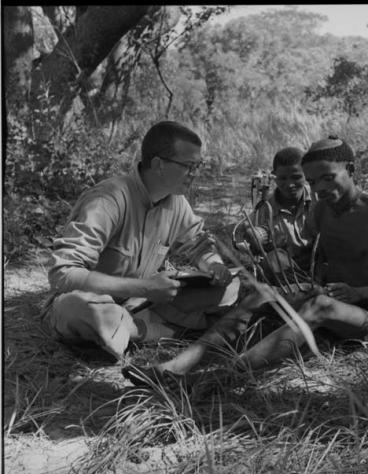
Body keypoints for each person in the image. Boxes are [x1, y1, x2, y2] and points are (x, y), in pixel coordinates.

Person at [122, 134, 368, 389]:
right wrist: (260, 247)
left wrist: (361, 293)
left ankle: (222, 377)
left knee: (321, 305)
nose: (321, 188)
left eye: (329, 177)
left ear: (350, 169)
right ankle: (174, 368)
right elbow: (299, 253)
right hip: (334, 297)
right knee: (261, 294)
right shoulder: (322, 211)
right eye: (314, 182)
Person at [41, 121, 239, 361]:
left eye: (198, 166)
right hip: (95, 301)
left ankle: (127, 331)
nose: (195, 174)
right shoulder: (108, 200)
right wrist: (145, 288)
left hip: (141, 303)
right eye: (189, 166)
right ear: (158, 165)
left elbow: (198, 244)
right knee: (75, 309)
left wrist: (213, 265)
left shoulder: (176, 202)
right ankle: (154, 331)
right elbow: (63, 275)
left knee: (232, 287)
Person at [243, 147, 314, 279]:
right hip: (285, 274)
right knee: (274, 260)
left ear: (306, 174)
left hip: (318, 267)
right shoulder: (264, 209)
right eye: (282, 178)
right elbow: (256, 249)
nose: (290, 184)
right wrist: (253, 238)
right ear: (274, 176)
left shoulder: (317, 201)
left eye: (296, 177)